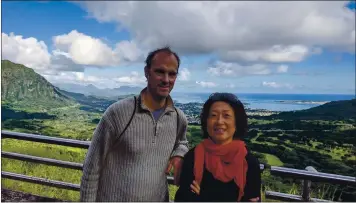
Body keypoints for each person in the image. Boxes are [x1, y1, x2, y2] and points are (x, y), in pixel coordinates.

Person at [80, 47, 189, 202]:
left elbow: (182, 141)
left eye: (172, 74)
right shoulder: (119, 113)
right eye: (160, 72)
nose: (166, 79)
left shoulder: (178, 118)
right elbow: (91, 168)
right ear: (147, 72)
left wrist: (179, 153)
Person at [175, 93, 261, 202]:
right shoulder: (193, 157)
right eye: (213, 115)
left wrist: (204, 197)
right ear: (206, 122)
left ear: (236, 122)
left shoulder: (249, 162)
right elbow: (183, 199)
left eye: (226, 116)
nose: (219, 121)